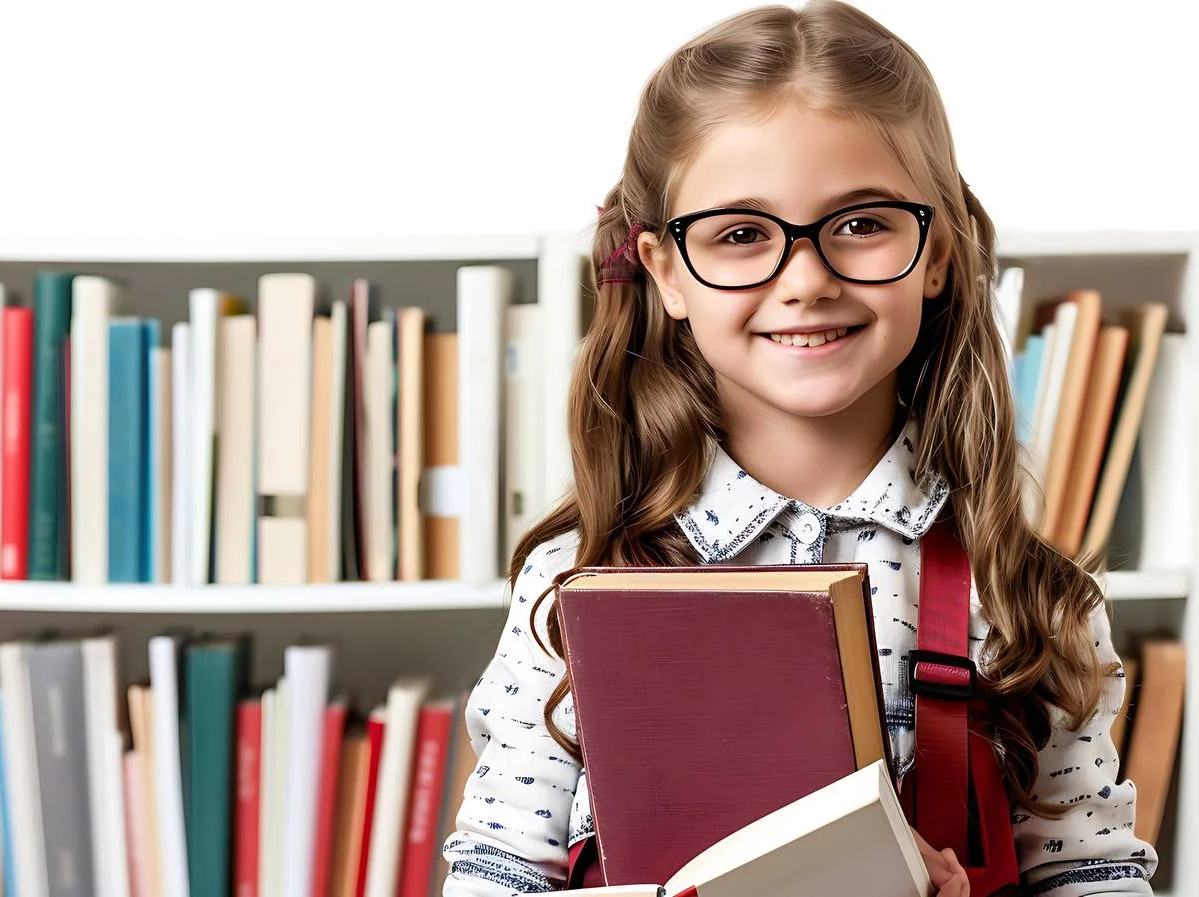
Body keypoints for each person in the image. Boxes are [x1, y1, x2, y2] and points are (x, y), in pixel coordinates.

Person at [441, 2, 1157, 894]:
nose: (807, 279)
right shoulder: (572, 582)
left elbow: (1094, 872)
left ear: (937, 253)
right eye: (741, 235)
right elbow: (494, 872)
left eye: (862, 224)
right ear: (666, 272)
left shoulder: (1027, 598)